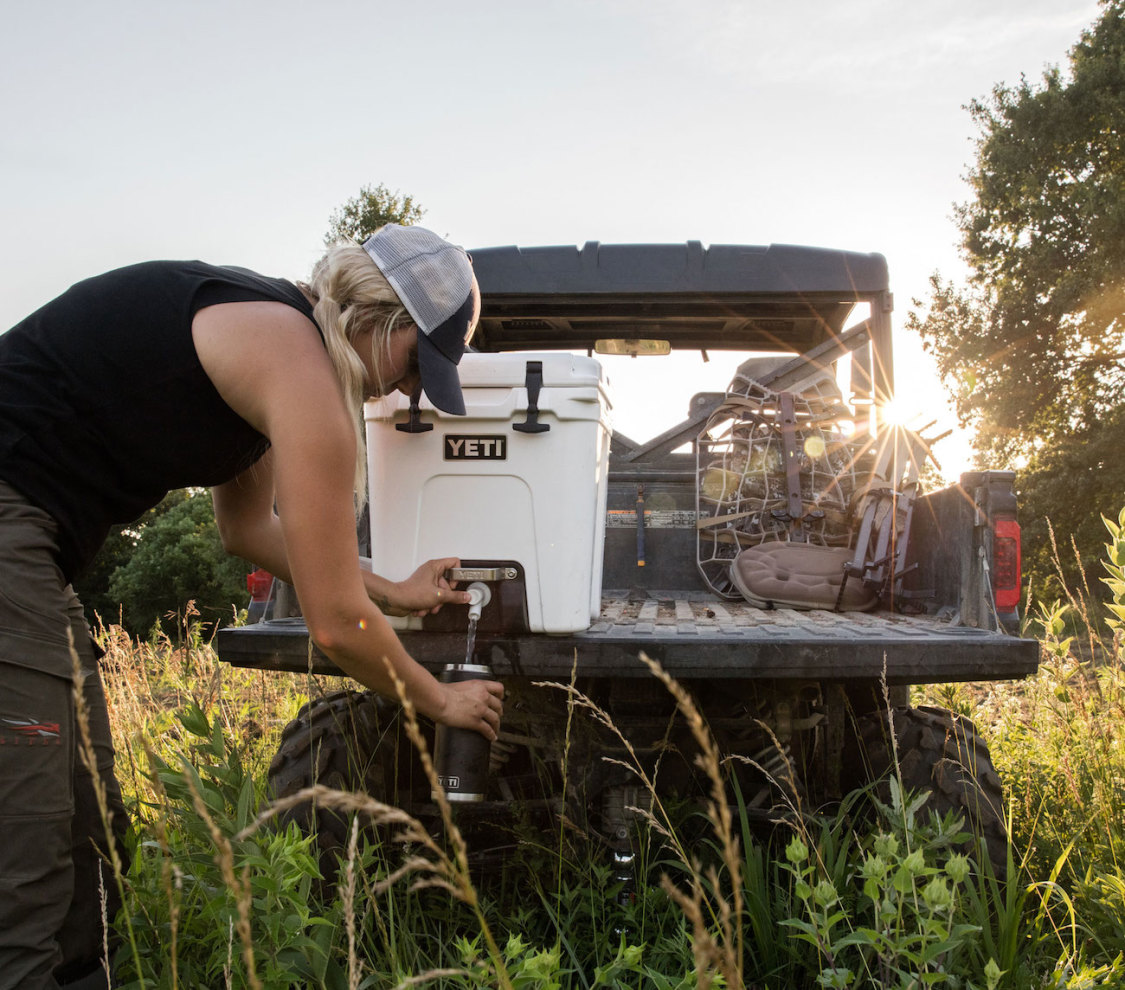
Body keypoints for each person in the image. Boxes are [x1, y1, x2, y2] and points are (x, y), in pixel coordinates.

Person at [0, 224, 505, 990]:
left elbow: (248, 530)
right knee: (26, 840)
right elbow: (334, 626)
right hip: (11, 531)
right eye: (414, 363)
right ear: (380, 320)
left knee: (90, 824)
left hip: (35, 554)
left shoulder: (279, 346)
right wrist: (441, 702)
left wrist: (392, 587)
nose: (406, 389)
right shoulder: (294, 360)